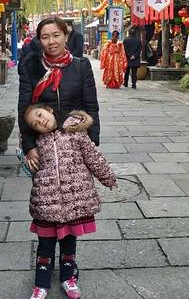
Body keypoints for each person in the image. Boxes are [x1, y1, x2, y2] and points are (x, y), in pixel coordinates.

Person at [23, 105, 117, 299]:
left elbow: (93, 157)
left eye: (40, 115)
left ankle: (68, 278)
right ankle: (41, 284)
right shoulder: (37, 142)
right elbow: (31, 168)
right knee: (45, 246)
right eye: (35, 124)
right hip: (47, 203)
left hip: (74, 202)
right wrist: (28, 157)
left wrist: (108, 177)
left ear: (49, 110)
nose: (40, 122)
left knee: (68, 244)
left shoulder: (77, 132)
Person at [18, 17, 100, 175]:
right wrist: (29, 146)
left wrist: (93, 140)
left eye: (56, 35)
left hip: (76, 140)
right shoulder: (30, 67)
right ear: (39, 40)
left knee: (79, 187)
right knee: (46, 187)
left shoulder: (81, 66)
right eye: (45, 37)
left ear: (66, 36)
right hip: (44, 144)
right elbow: (24, 109)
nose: (51, 42)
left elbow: (91, 105)